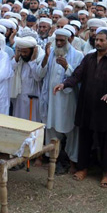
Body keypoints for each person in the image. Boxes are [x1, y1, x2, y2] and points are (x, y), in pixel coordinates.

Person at [54, 27, 107, 188]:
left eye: (101, 40)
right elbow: (77, 75)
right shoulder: (88, 59)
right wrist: (64, 84)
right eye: (97, 40)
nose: (98, 42)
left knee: (106, 141)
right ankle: (82, 168)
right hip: (87, 105)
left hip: (106, 108)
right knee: (84, 138)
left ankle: (106, 173)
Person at [44, 27, 83, 173]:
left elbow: (79, 78)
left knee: (71, 131)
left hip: (68, 101)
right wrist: (46, 57)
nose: (59, 43)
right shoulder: (52, 53)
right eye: (57, 40)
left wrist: (67, 66)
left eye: (62, 40)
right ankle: (54, 159)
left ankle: (72, 162)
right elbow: (42, 74)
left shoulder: (78, 55)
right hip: (52, 100)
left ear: (69, 40)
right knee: (52, 128)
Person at [10, 36, 48, 122]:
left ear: (33, 50)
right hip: (19, 99)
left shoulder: (39, 59)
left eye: (25, 52)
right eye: (21, 51)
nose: (23, 54)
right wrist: (16, 57)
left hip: (33, 100)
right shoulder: (19, 59)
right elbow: (10, 70)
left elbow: (38, 77)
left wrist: (32, 61)